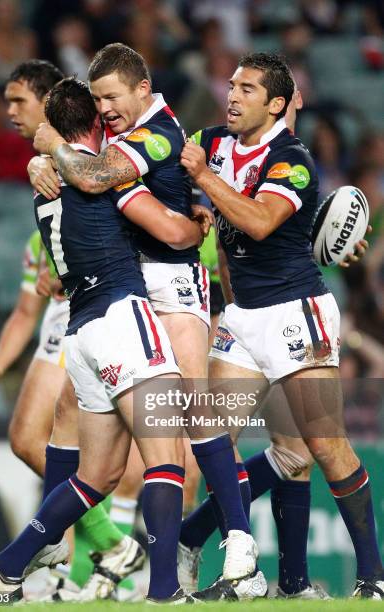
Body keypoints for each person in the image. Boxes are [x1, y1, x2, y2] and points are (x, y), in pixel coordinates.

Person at [29, 43, 259, 594]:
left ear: (141, 89)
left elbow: (94, 175)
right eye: (99, 99)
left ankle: (241, 546)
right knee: (70, 406)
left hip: (174, 286)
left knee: (194, 415)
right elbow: (85, 165)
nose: (105, 108)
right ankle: (56, 543)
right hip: (128, 286)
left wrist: (51, 148)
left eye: (113, 97)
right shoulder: (121, 130)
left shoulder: (157, 132)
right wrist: (42, 159)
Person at [0, 76, 204, 604]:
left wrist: (44, 154)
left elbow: (51, 275)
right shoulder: (96, 175)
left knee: (95, 474)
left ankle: (5, 567)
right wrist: (196, 224)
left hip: (80, 335)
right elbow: (170, 232)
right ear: (98, 123)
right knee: (165, 457)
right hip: (122, 317)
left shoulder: (45, 186)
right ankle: (165, 590)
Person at [180, 52, 384, 600]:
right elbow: (154, 158)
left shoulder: (293, 159)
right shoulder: (212, 141)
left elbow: (262, 221)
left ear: (275, 105)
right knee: (209, 434)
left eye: (248, 89)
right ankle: (217, 556)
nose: (233, 94)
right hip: (242, 317)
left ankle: (373, 578)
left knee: (323, 446)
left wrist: (201, 179)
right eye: (231, 84)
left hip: (297, 314)